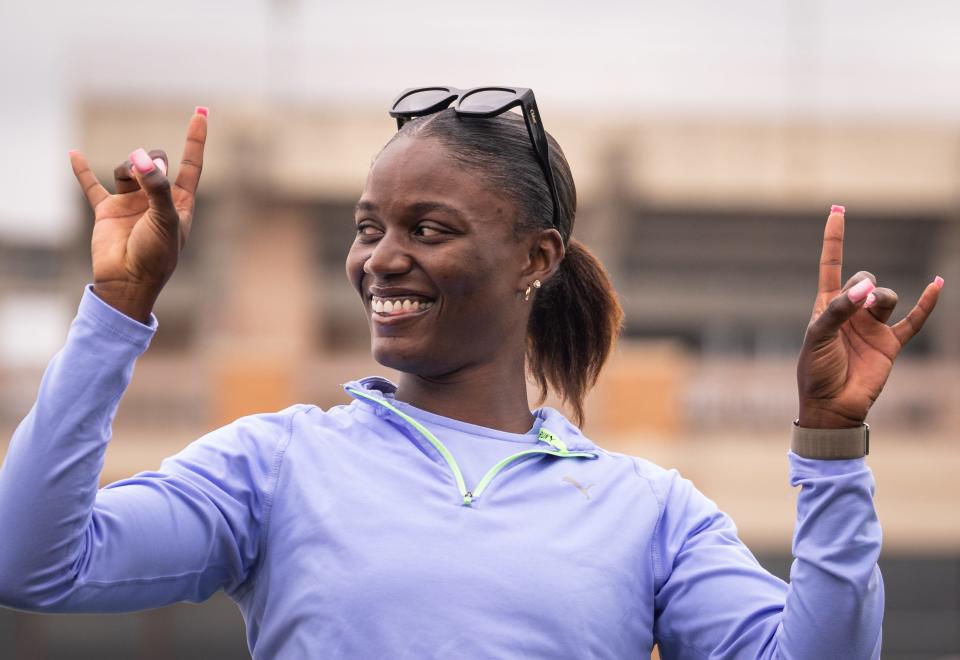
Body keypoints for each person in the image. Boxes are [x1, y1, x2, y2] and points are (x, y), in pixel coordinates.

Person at [0, 88, 944, 659]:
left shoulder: (651, 511)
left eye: (428, 230)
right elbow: (31, 561)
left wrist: (830, 444)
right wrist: (117, 310)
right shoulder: (276, 463)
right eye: (368, 228)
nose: (381, 258)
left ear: (536, 258)